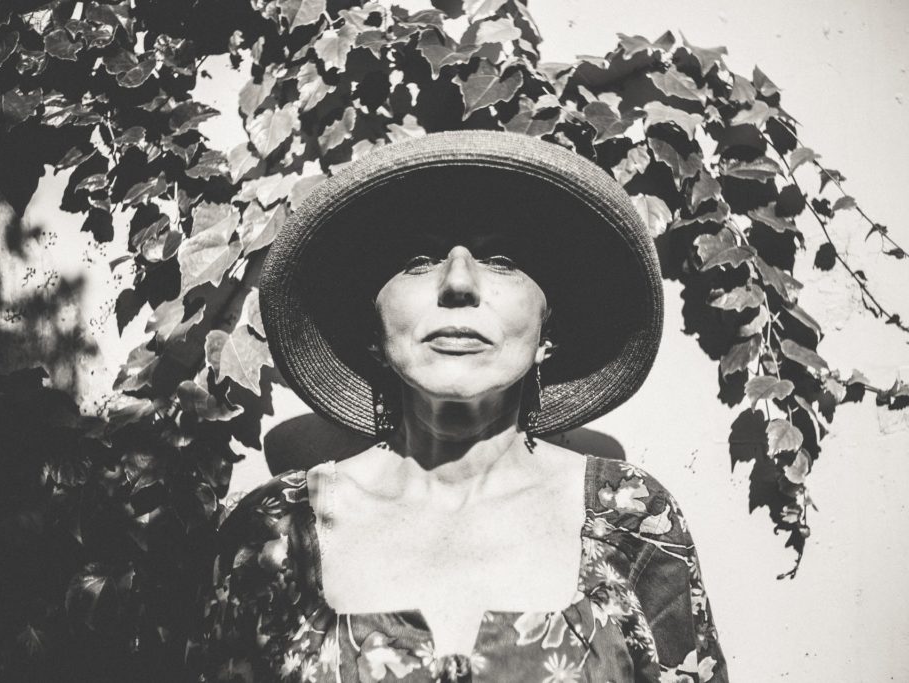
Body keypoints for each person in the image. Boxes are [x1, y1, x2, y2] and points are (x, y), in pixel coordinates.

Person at [195, 131, 728, 682]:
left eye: (501, 260)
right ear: (373, 331)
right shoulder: (269, 531)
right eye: (419, 260)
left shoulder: (632, 522)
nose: (457, 283)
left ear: (550, 329)